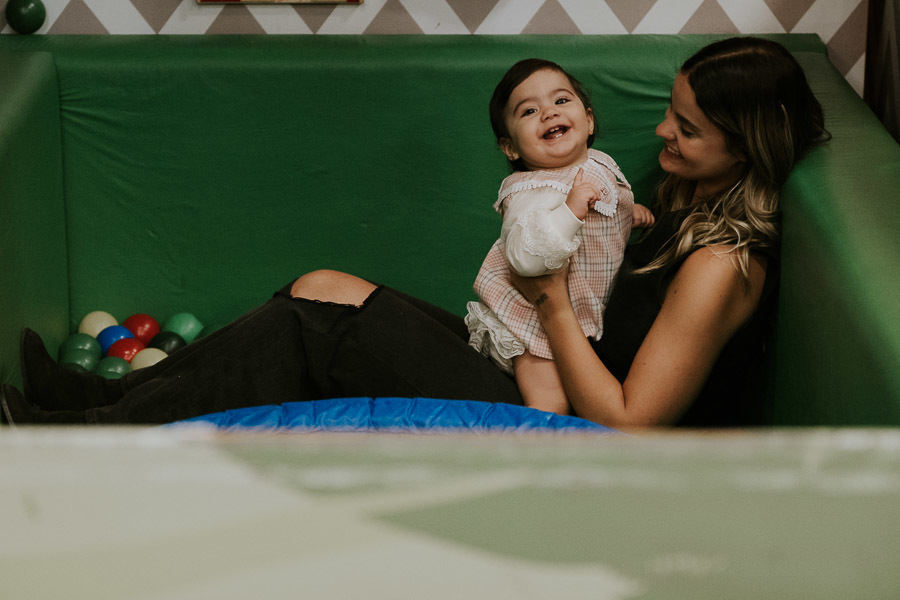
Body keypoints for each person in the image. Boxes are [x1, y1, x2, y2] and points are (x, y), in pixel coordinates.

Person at [0, 36, 828, 429]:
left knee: (312, 326)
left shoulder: (723, 264)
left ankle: (86, 433)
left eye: (684, 128)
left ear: (745, 141)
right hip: (533, 349)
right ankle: (101, 395)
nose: (662, 136)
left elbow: (630, 424)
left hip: (560, 414)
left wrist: (546, 306)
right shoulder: (688, 198)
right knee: (318, 287)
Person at [465, 58, 653, 416]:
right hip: (527, 325)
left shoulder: (595, 163)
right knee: (551, 404)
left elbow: (605, 207)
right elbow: (523, 257)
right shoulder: (531, 190)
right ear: (511, 148)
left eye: (561, 101)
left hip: (569, 315)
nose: (549, 113)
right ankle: (535, 453)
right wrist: (569, 212)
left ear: (590, 119)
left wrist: (630, 211)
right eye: (529, 110)